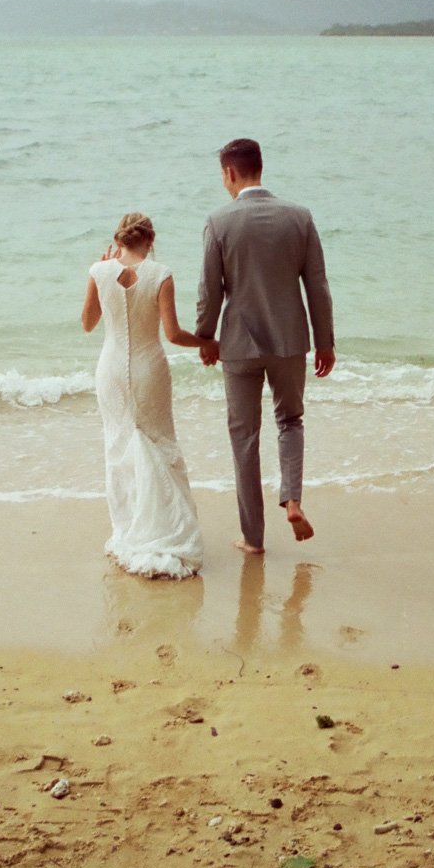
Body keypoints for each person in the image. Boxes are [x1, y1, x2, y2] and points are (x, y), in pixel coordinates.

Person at [195, 138, 334, 555]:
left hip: (238, 344)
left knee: (244, 437)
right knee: (290, 421)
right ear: (260, 168)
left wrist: (205, 337)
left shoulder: (219, 221)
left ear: (230, 173)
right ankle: (292, 500)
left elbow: (210, 289)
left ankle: (253, 538)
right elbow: (317, 285)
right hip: (290, 339)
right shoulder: (299, 217)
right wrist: (324, 342)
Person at [81, 212, 212, 579]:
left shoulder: (98, 270)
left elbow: (88, 324)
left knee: (119, 447)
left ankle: (129, 531)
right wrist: (208, 342)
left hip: (110, 372)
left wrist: (103, 270)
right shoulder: (161, 273)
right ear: (150, 241)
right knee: (158, 444)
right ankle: (164, 531)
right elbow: (172, 334)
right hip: (149, 369)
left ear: (118, 239)